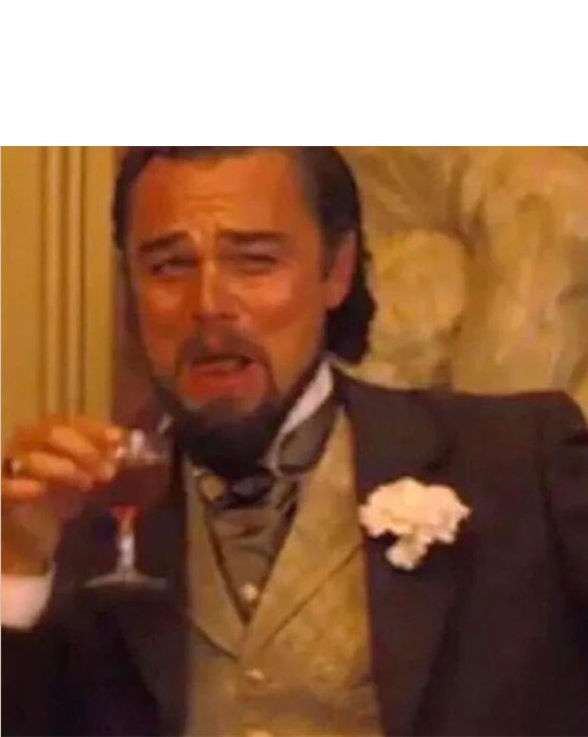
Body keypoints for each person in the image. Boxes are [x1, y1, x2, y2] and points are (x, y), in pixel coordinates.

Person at [2, 146, 588, 737]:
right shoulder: (76, 521)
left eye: (254, 261)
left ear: (335, 271)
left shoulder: (522, 462)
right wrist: (16, 570)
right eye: (169, 267)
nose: (208, 305)